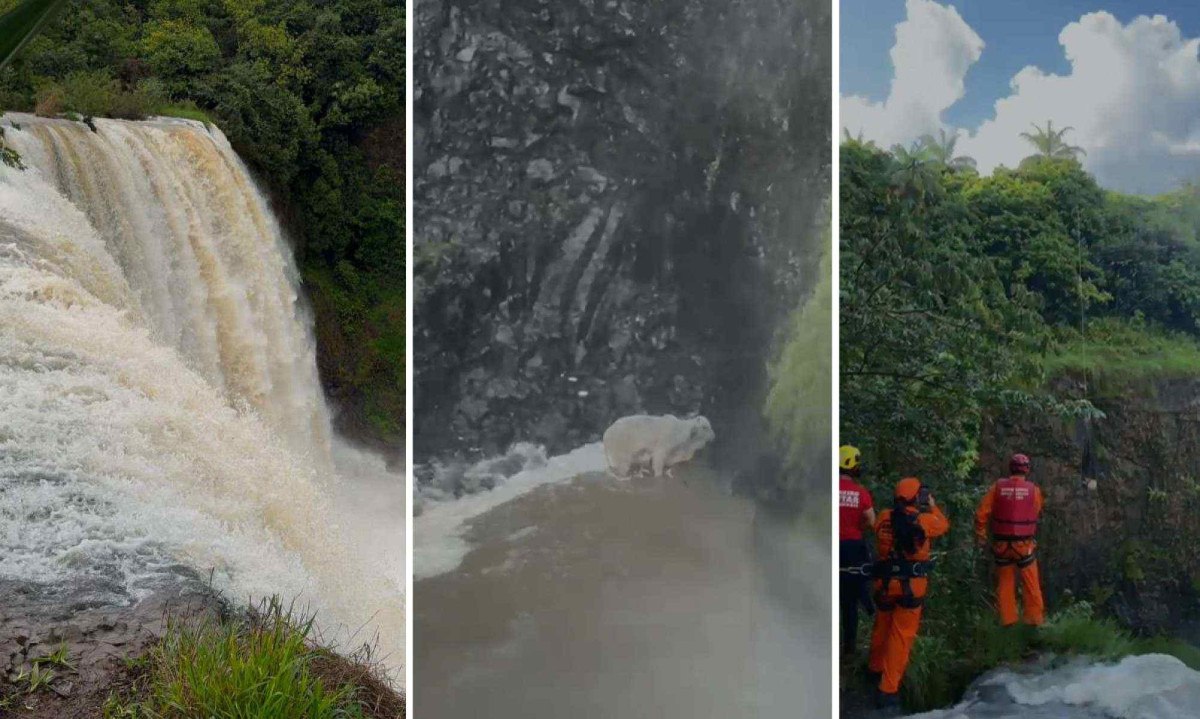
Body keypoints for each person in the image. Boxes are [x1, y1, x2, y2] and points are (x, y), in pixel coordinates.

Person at [868, 477, 950, 709]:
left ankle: (874, 670)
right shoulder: (924, 521)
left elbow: (877, 531)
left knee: (882, 626)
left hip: (884, 583)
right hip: (910, 588)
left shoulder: (884, 517)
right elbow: (944, 524)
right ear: (917, 498)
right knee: (901, 637)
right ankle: (888, 689)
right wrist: (932, 504)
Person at [975, 452, 1045, 626]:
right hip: (1023, 546)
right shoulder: (1033, 490)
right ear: (1026, 470)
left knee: (1005, 583)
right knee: (1031, 584)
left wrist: (981, 535)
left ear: (1010, 468)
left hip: (1001, 545)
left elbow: (981, 513)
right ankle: (1034, 620)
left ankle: (1008, 621)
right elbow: (1035, 510)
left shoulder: (997, 488)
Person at [839, 445, 876, 658]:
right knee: (850, 600)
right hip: (853, 548)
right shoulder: (861, 493)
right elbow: (872, 521)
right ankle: (849, 648)